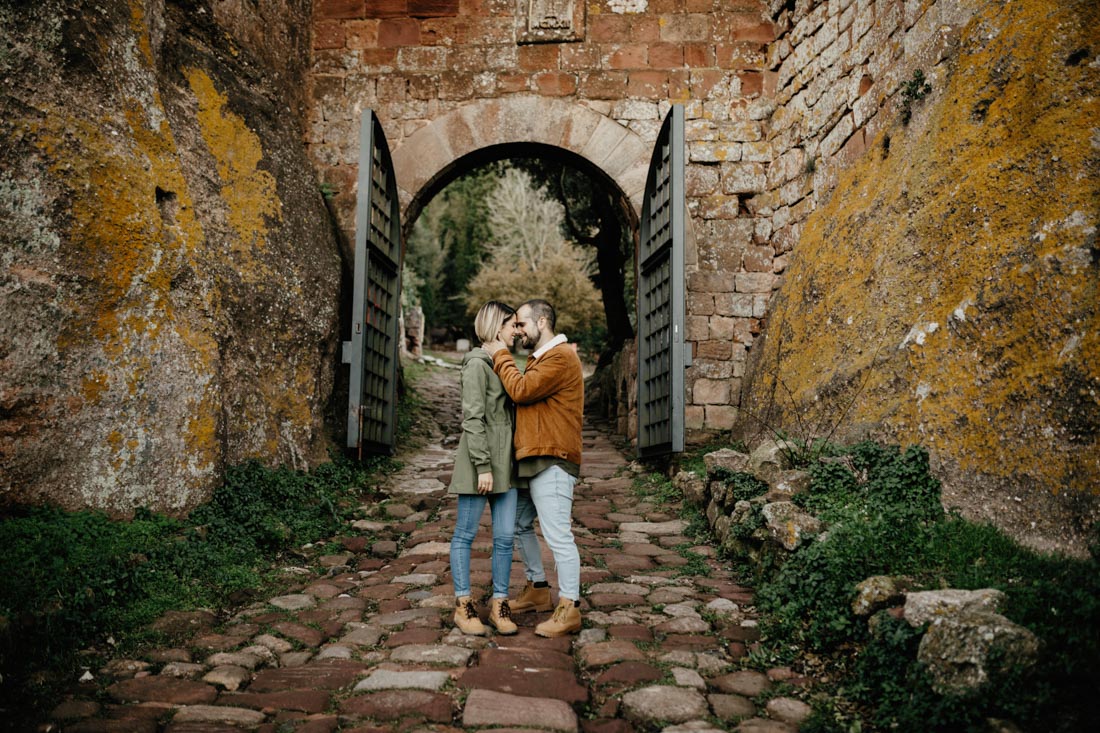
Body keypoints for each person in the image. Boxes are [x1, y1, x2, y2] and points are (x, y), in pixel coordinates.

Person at [484, 299, 584, 637]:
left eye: (522, 323)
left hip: (553, 457)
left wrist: (499, 353)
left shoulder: (561, 357)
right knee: (518, 523)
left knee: (558, 535)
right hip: (533, 457)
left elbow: (521, 390)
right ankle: (538, 588)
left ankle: (570, 606)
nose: (518, 330)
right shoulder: (541, 358)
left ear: (542, 321)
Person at [447, 301, 520, 636]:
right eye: (511, 325)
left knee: (505, 536)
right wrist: (482, 466)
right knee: (466, 534)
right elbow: (472, 418)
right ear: (495, 327)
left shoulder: (505, 361)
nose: (517, 331)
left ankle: (499, 604)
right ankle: (463, 605)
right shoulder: (477, 363)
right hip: (481, 460)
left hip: (507, 460)